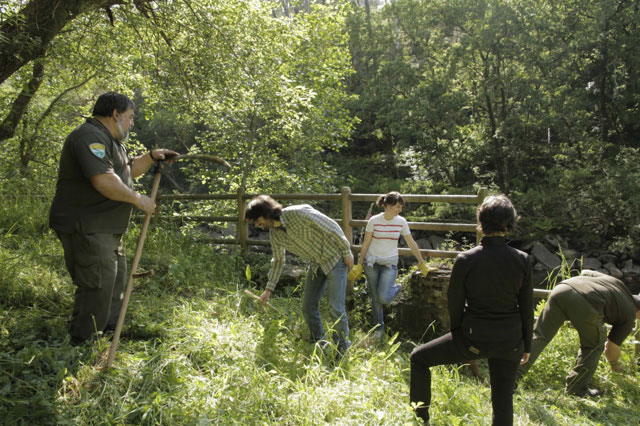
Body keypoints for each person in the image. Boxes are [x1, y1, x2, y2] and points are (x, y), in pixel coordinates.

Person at [49, 91, 178, 345]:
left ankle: (107, 332)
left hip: (107, 229)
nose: (132, 123)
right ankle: (83, 341)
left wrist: (151, 157)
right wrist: (138, 199)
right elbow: (104, 181)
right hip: (87, 226)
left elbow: (128, 172)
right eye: (130, 117)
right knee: (97, 285)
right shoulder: (89, 136)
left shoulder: (113, 141)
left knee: (115, 282)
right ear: (115, 114)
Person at [409, 195, 533, 426]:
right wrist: (527, 344)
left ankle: (420, 419)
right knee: (503, 398)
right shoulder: (523, 259)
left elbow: (454, 302)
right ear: (509, 224)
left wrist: (459, 336)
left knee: (418, 358)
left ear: (481, 222)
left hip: (473, 336)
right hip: (511, 340)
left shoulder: (466, 259)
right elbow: (527, 307)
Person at [245, 195, 354, 354]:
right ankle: (320, 345)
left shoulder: (297, 213)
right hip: (317, 265)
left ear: (265, 212)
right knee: (308, 307)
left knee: (335, 307)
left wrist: (346, 251)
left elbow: (331, 226)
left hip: (335, 259)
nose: (256, 225)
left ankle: (342, 350)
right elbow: (278, 261)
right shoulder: (275, 234)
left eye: (256, 220)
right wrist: (268, 290)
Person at [516, 269, 640, 397]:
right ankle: (576, 390)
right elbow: (611, 348)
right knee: (593, 346)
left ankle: (509, 378)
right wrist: (615, 367)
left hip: (563, 288)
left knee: (540, 335)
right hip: (585, 301)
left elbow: (586, 272)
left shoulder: (618, 284)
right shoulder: (629, 315)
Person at [350, 191, 434, 338]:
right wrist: (359, 264)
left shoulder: (401, 222)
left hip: (389, 263)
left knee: (383, 297)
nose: (400, 210)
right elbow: (366, 243)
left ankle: (398, 287)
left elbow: (411, 243)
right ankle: (379, 329)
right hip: (372, 263)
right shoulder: (374, 221)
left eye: (401, 207)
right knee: (375, 298)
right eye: (398, 206)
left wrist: (422, 263)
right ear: (388, 205)